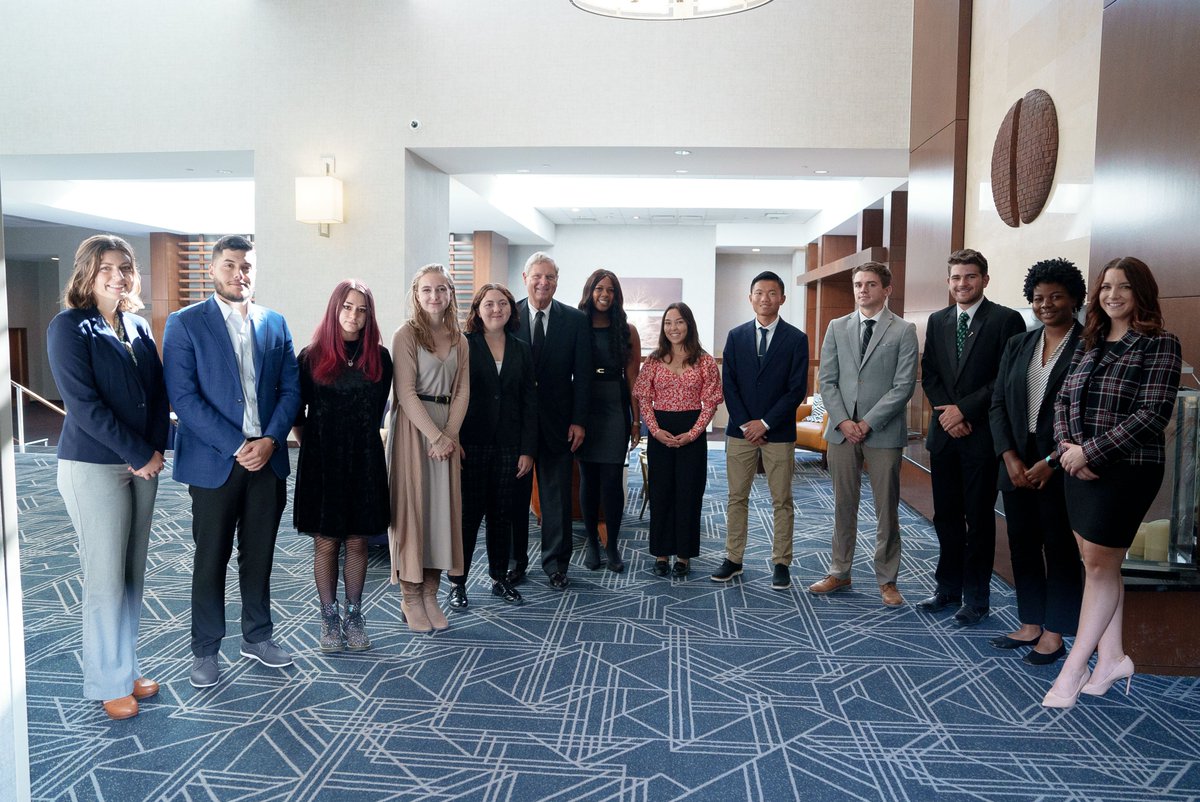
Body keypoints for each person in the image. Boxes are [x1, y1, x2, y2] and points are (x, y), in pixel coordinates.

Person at [163, 235, 302, 689]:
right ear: (212, 269)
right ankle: (205, 648)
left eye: (246, 266)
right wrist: (236, 444)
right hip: (214, 463)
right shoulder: (185, 324)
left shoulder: (275, 323)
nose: (239, 274)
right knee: (211, 558)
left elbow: (290, 390)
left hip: (268, 461)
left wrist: (270, 440)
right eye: (230, 265)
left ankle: (257, 637)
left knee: (259, 555)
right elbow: (184, 397)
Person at [1043, 257, 1181, 709]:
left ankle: (1073, 668)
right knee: (1098, 563)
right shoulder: (1091, 340)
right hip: (1076, 466)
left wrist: (1090, 452)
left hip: (1127, 470)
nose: (1113, 295)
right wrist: (1068, 448)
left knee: (1100, 565)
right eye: (1106, 287)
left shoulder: (1160, 344)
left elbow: (1152, 414)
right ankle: (1113, 658)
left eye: (1123, 287)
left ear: (1141, 292)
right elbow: (1063, 397)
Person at [47, 235, 169, 720]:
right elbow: (83, 406)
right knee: (104, 579)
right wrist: (139, 452)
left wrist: (155, 449)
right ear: (87, 272)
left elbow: (158, 396)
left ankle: (125, 666)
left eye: (125, 267)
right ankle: (106, 680)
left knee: (131, 574)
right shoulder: (68, 327)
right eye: (108, 268)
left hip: (143, 463)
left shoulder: (136, 325)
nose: (119, 275)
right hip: (93, 465)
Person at [917, 249, 1024, 626]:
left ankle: (976, 598)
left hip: (983, 436)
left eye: (970, 277)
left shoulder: (1006, 320)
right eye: (956, 278)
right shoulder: (938, 320)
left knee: (978, 518)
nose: (962, 284)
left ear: (985, 280)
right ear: (948, 282)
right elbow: (929, 372)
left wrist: (966, 410)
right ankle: (946, 588)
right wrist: (949, 412)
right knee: (945, 515)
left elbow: (1006, 378)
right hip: (945, 435)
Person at [988, 259, 1085, 666]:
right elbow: (998, 403)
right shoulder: (1019, 344)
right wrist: (1009, 456)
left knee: (1059, 547)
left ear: (1075, 300)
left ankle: (1056, 630)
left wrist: (1051, 461)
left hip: (1061, 464)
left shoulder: (1089, 346)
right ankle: (1029, 621)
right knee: (1023, 542)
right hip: (1016, 460)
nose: (1045, 305)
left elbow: (1089, 413)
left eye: (1056, 297)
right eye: (1038, 298)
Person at [809, 263, 918, 606]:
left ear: (886, 289)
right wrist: (842, 421)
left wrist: (867, 422)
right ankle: (840, 571)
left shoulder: (903, 330)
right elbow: (826, 380)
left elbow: (903, 386)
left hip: (882, 432)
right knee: (844, 504)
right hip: (841, 432)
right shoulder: (836, 327)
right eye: (858, 284)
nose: (862, 290)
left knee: (887, 509)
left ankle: (887, 580)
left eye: (870, 284)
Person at [292, 280, 392, 652]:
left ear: (369, 315)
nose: (354, 315)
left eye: (361, 309)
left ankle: (354, 616)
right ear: (335, 309)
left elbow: (377, 411)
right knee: (327, 542)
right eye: (347, 307)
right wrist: (314, 447)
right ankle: (328, 616)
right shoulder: (312, 355)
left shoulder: (380, 358)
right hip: (322, 461)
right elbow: (298, 413)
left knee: (358, 541)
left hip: (364, 460)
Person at [713, 270, 809, 589]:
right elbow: (730, 384)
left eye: (771, 293)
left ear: (782, 298)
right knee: (736, 497)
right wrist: (745, 423)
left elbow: (796, 390)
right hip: (740, 432)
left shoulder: (796, 338)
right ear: (750, 297)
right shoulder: (736, 336)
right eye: (758, 292)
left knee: (781, 499)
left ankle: (781, 562)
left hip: (778, 432)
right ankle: (733, 558)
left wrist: (765, 423)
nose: (764, 298)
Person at [388, 263, 469, 633]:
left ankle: (431, 595)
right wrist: (435, 436)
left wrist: (449, 434)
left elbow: (463, 390)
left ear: (450, 293)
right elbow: (404, 392)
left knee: (441, 515)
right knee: (414, 514)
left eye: (441, 289)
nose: (434, 296)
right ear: (416, 295)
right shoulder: (405, 335)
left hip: (447, 434)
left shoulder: (460, 338)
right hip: (413, 430)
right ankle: (410, 597)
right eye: (426, 290)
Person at [449, 283, 537, 608]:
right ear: (477, 310)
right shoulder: (464, 345)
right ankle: (457, 582)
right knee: (468, 516)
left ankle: (499, 578)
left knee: (503, 514)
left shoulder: (521, 348)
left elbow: (530, 401)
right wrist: (454, 437)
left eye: (503, 303)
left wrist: (527, 448)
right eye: (489, 304)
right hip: (471, 443)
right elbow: (454, 394)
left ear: (511, 309)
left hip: (509, 446)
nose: (496, 309)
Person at [513, 252, 593, 590]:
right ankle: (514, 563)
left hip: (560, 423)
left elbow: (584, 375)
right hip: (515, 424)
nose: (543, 282)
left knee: (556, 497)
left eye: (549, 277)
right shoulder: (506, 314)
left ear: (557, 282)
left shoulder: (574, 320)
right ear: (525, 278)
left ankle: (556, 565)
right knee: (514, 498)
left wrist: (579, 420)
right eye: (537, 276)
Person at [633, 302, 722, 577]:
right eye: (668, 322)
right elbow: (643, 397)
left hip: (691, 434)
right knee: (661, 493)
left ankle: (683, 555)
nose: (674, 328)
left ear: (689, 324)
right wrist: (654, 430)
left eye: (679, 322)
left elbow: (711, 403)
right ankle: (661, 553)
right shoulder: (654, 360)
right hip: (661, 431)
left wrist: (693, 434)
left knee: (688, 494)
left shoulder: (705, 360)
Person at [576, 269, 641, 573]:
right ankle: (591, 541)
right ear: (590, 291)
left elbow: (633, 378)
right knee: (589, 479)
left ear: (616, 295)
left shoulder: (627, 330)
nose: (605, 294)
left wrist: (636, 421)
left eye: (611, 290)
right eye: (599, 288)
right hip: (584, 405)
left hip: (615, 404)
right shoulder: (577, 325)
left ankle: (612, 544)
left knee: (613, 481)